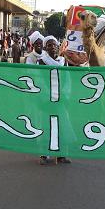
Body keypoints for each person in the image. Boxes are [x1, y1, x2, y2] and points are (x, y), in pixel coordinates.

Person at [37, 35, 71, 165]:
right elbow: (39, 81)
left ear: (58, 46)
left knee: (62, 127)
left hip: (61, 100)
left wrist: (65, 96)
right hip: (47, 101)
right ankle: (44, 155)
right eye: (49, 45)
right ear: (45, 48)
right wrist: (46, 97)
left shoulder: (64, 62)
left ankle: (61, 155)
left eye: (55, 45)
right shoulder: (41, 62)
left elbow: (68, 80)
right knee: (46, 126)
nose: (53, 47)